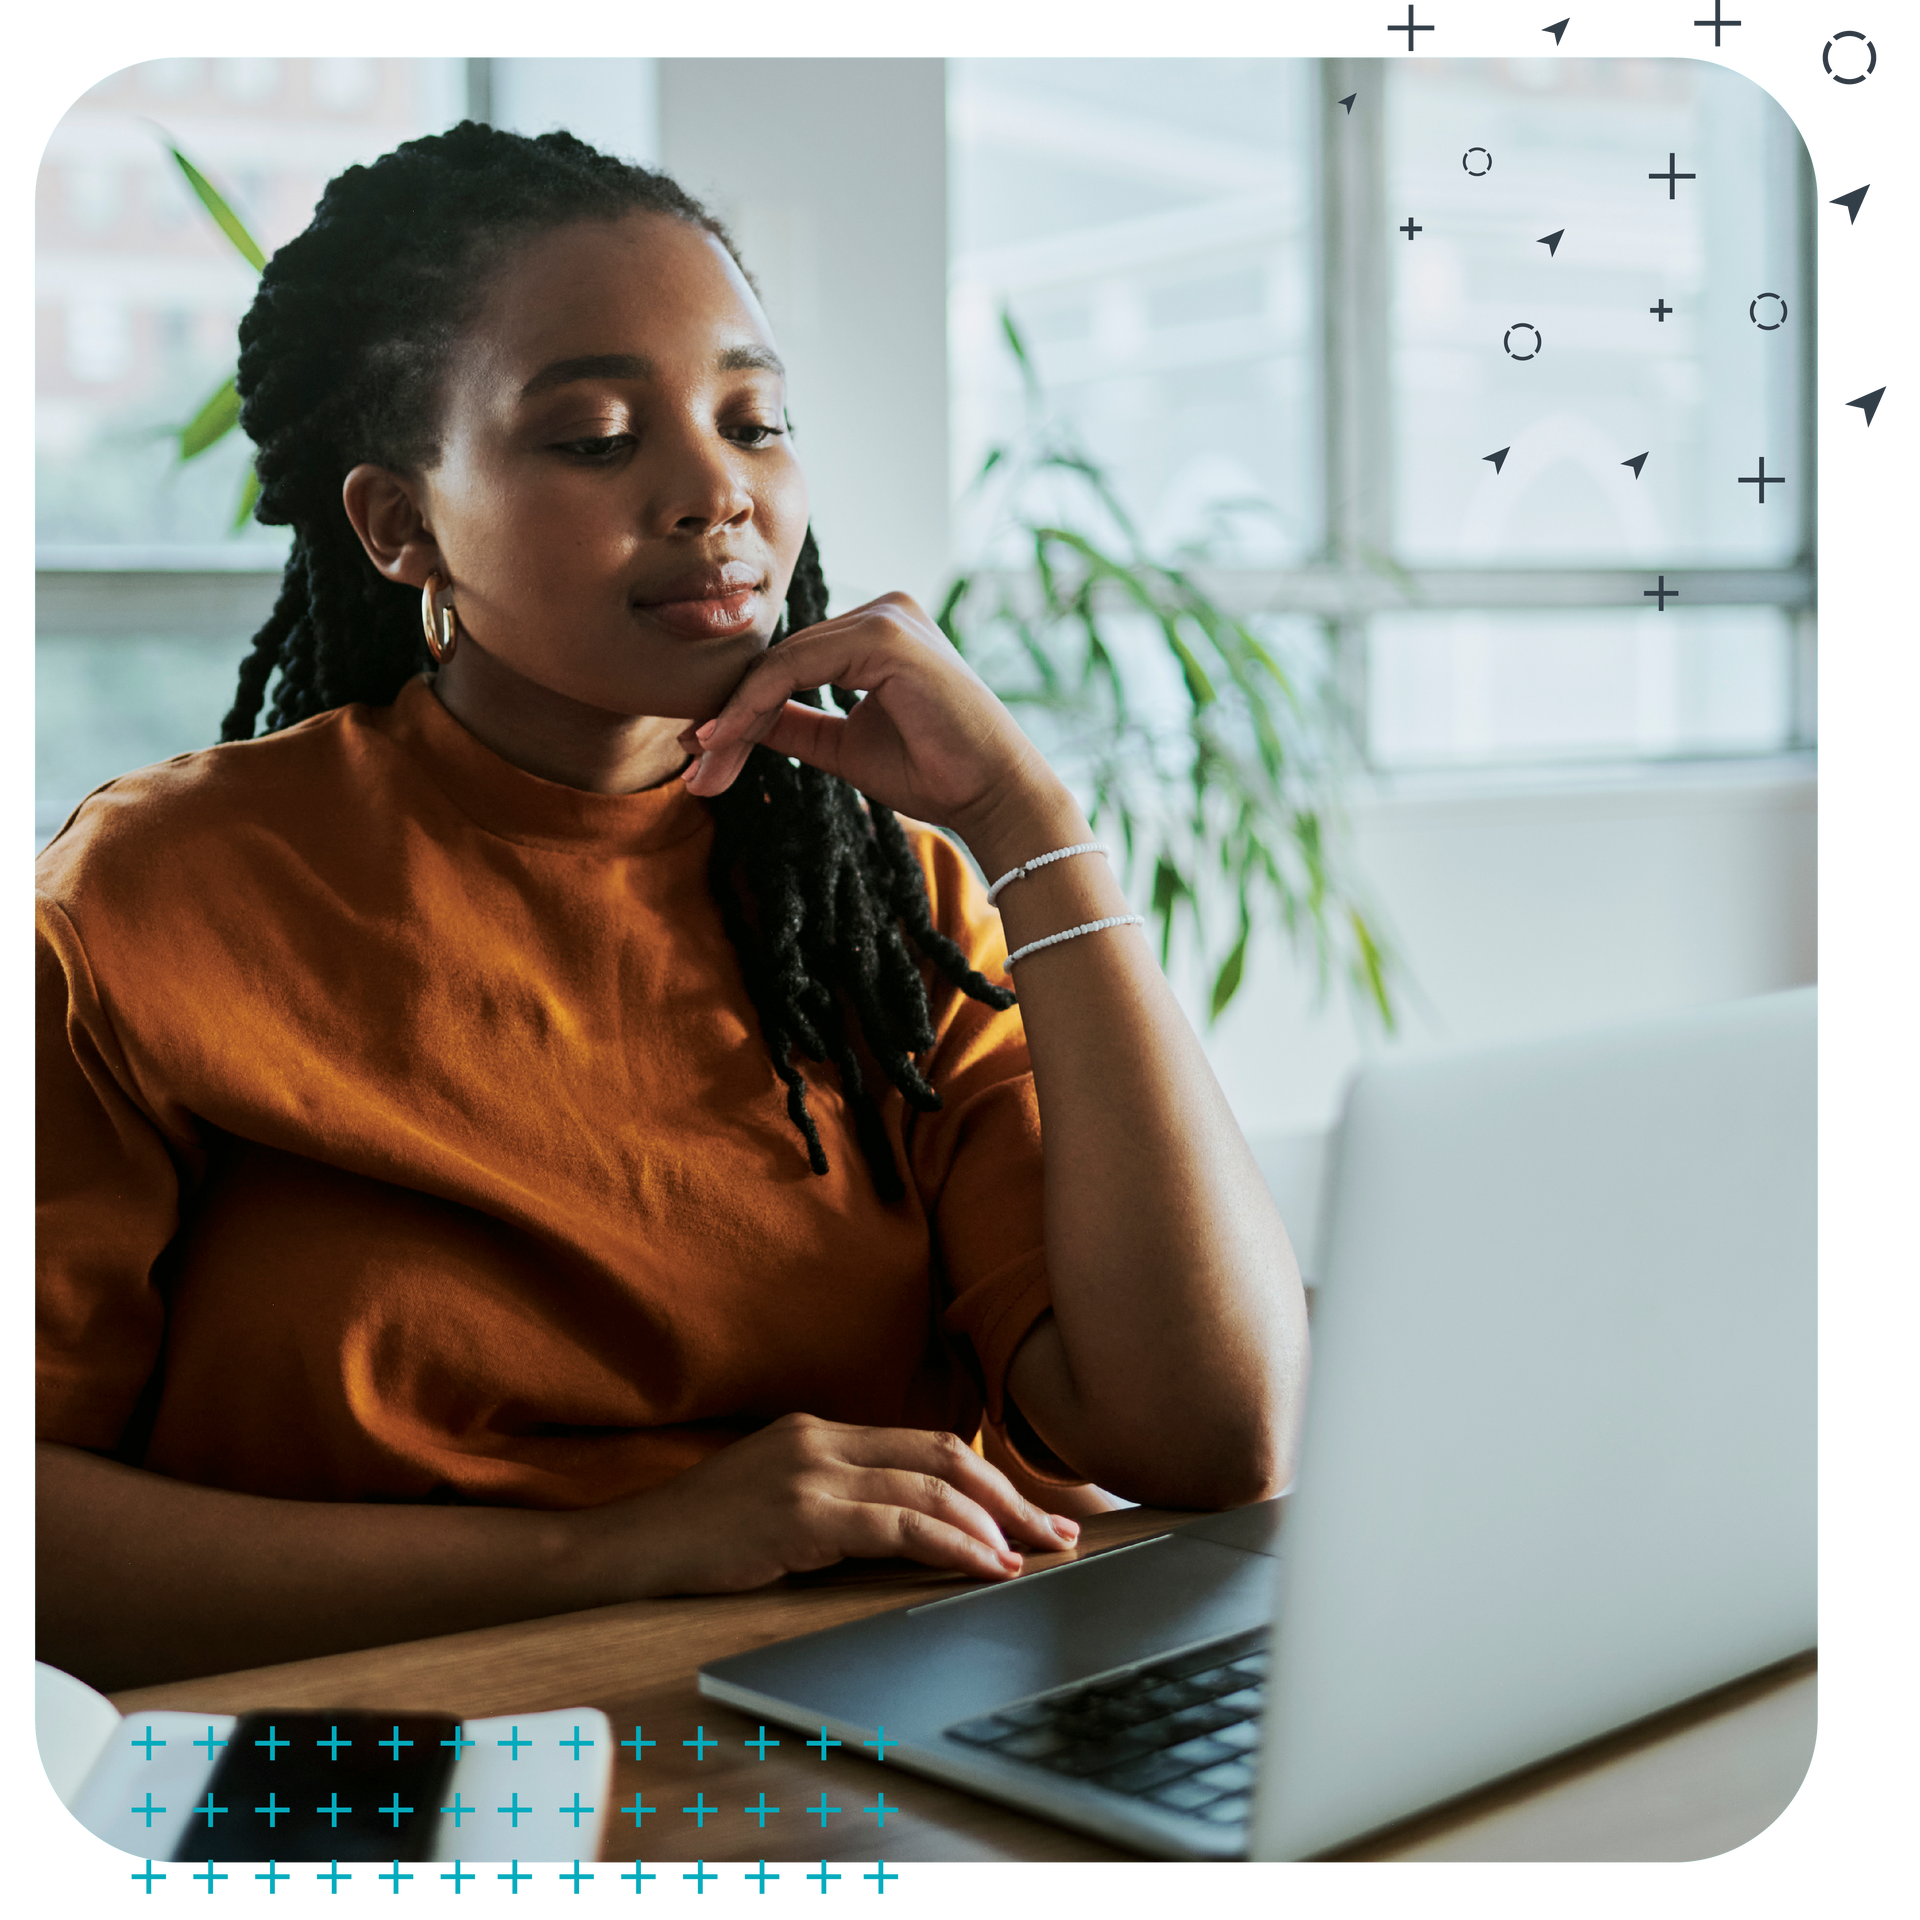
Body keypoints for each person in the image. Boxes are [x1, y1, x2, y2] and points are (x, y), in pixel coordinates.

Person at [35, 124, 1307, 1692]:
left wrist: (1031, 829)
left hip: (887, 1717)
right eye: (593, 439)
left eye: (754, 420)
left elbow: (1211, 1437)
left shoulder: (882, 900)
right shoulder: (159, 895)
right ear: (398, 525)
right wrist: (627, 1546)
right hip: (400, 1759)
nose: (718, 493)